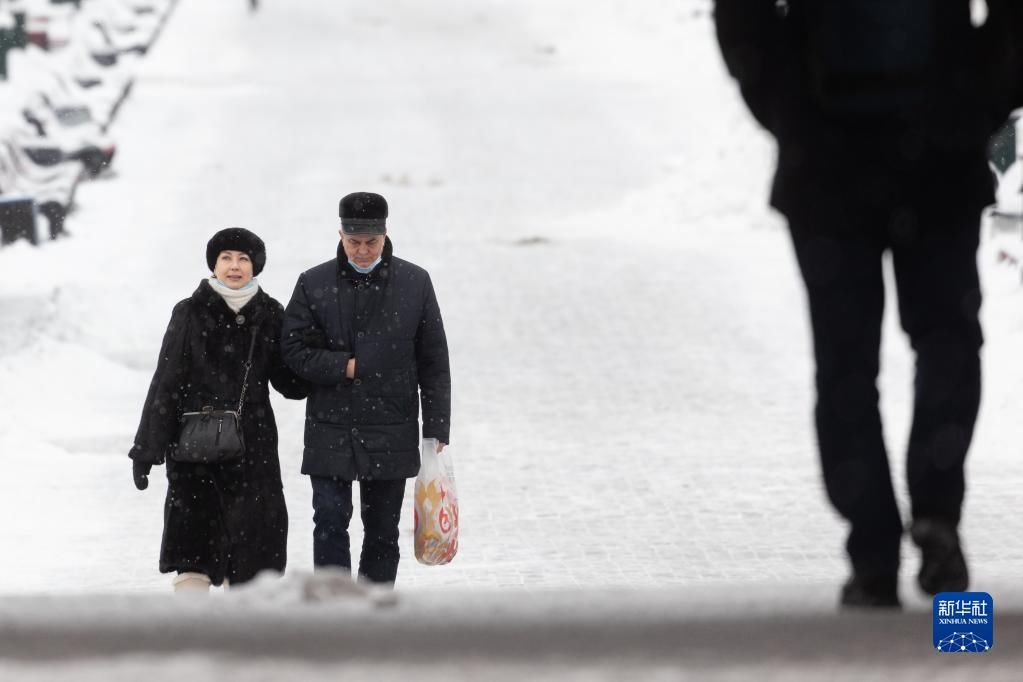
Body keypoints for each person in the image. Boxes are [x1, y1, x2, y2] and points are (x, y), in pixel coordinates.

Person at [715, 1, 1023, 608]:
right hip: (928, 156)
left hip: (835, 161)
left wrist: (789, 105)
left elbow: (742, 17)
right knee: (945, 341)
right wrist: (978, 96)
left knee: (848, 365)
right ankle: (932, 517)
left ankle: (875, 547)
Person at [282, 191, 451, 587]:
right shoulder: (314, 282)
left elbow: (434, 360)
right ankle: (333, 614)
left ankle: (373, 616)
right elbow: (291, 348)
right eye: (353, 242)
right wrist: (345, 366)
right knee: (328, 520)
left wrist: (437, 426)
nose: (361, 251)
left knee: (381, 531)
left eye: (370, 243)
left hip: (390, 426)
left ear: (385, 235)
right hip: (330, 425)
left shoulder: (415, 282)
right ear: (339, 234)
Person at [129, 228, 308, 592]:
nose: (235, 266)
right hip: (194, 446)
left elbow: (289, 383)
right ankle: (191, 635)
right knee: (194, 547)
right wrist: (147, 447)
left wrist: (317, 357)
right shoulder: (190, 312)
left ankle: (242, 637)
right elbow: (166, 381)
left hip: (252, 446)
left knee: (252, 551)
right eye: (226, 258)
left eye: (243, 259)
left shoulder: (271, 313)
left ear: (255, 266)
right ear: (214, 264)